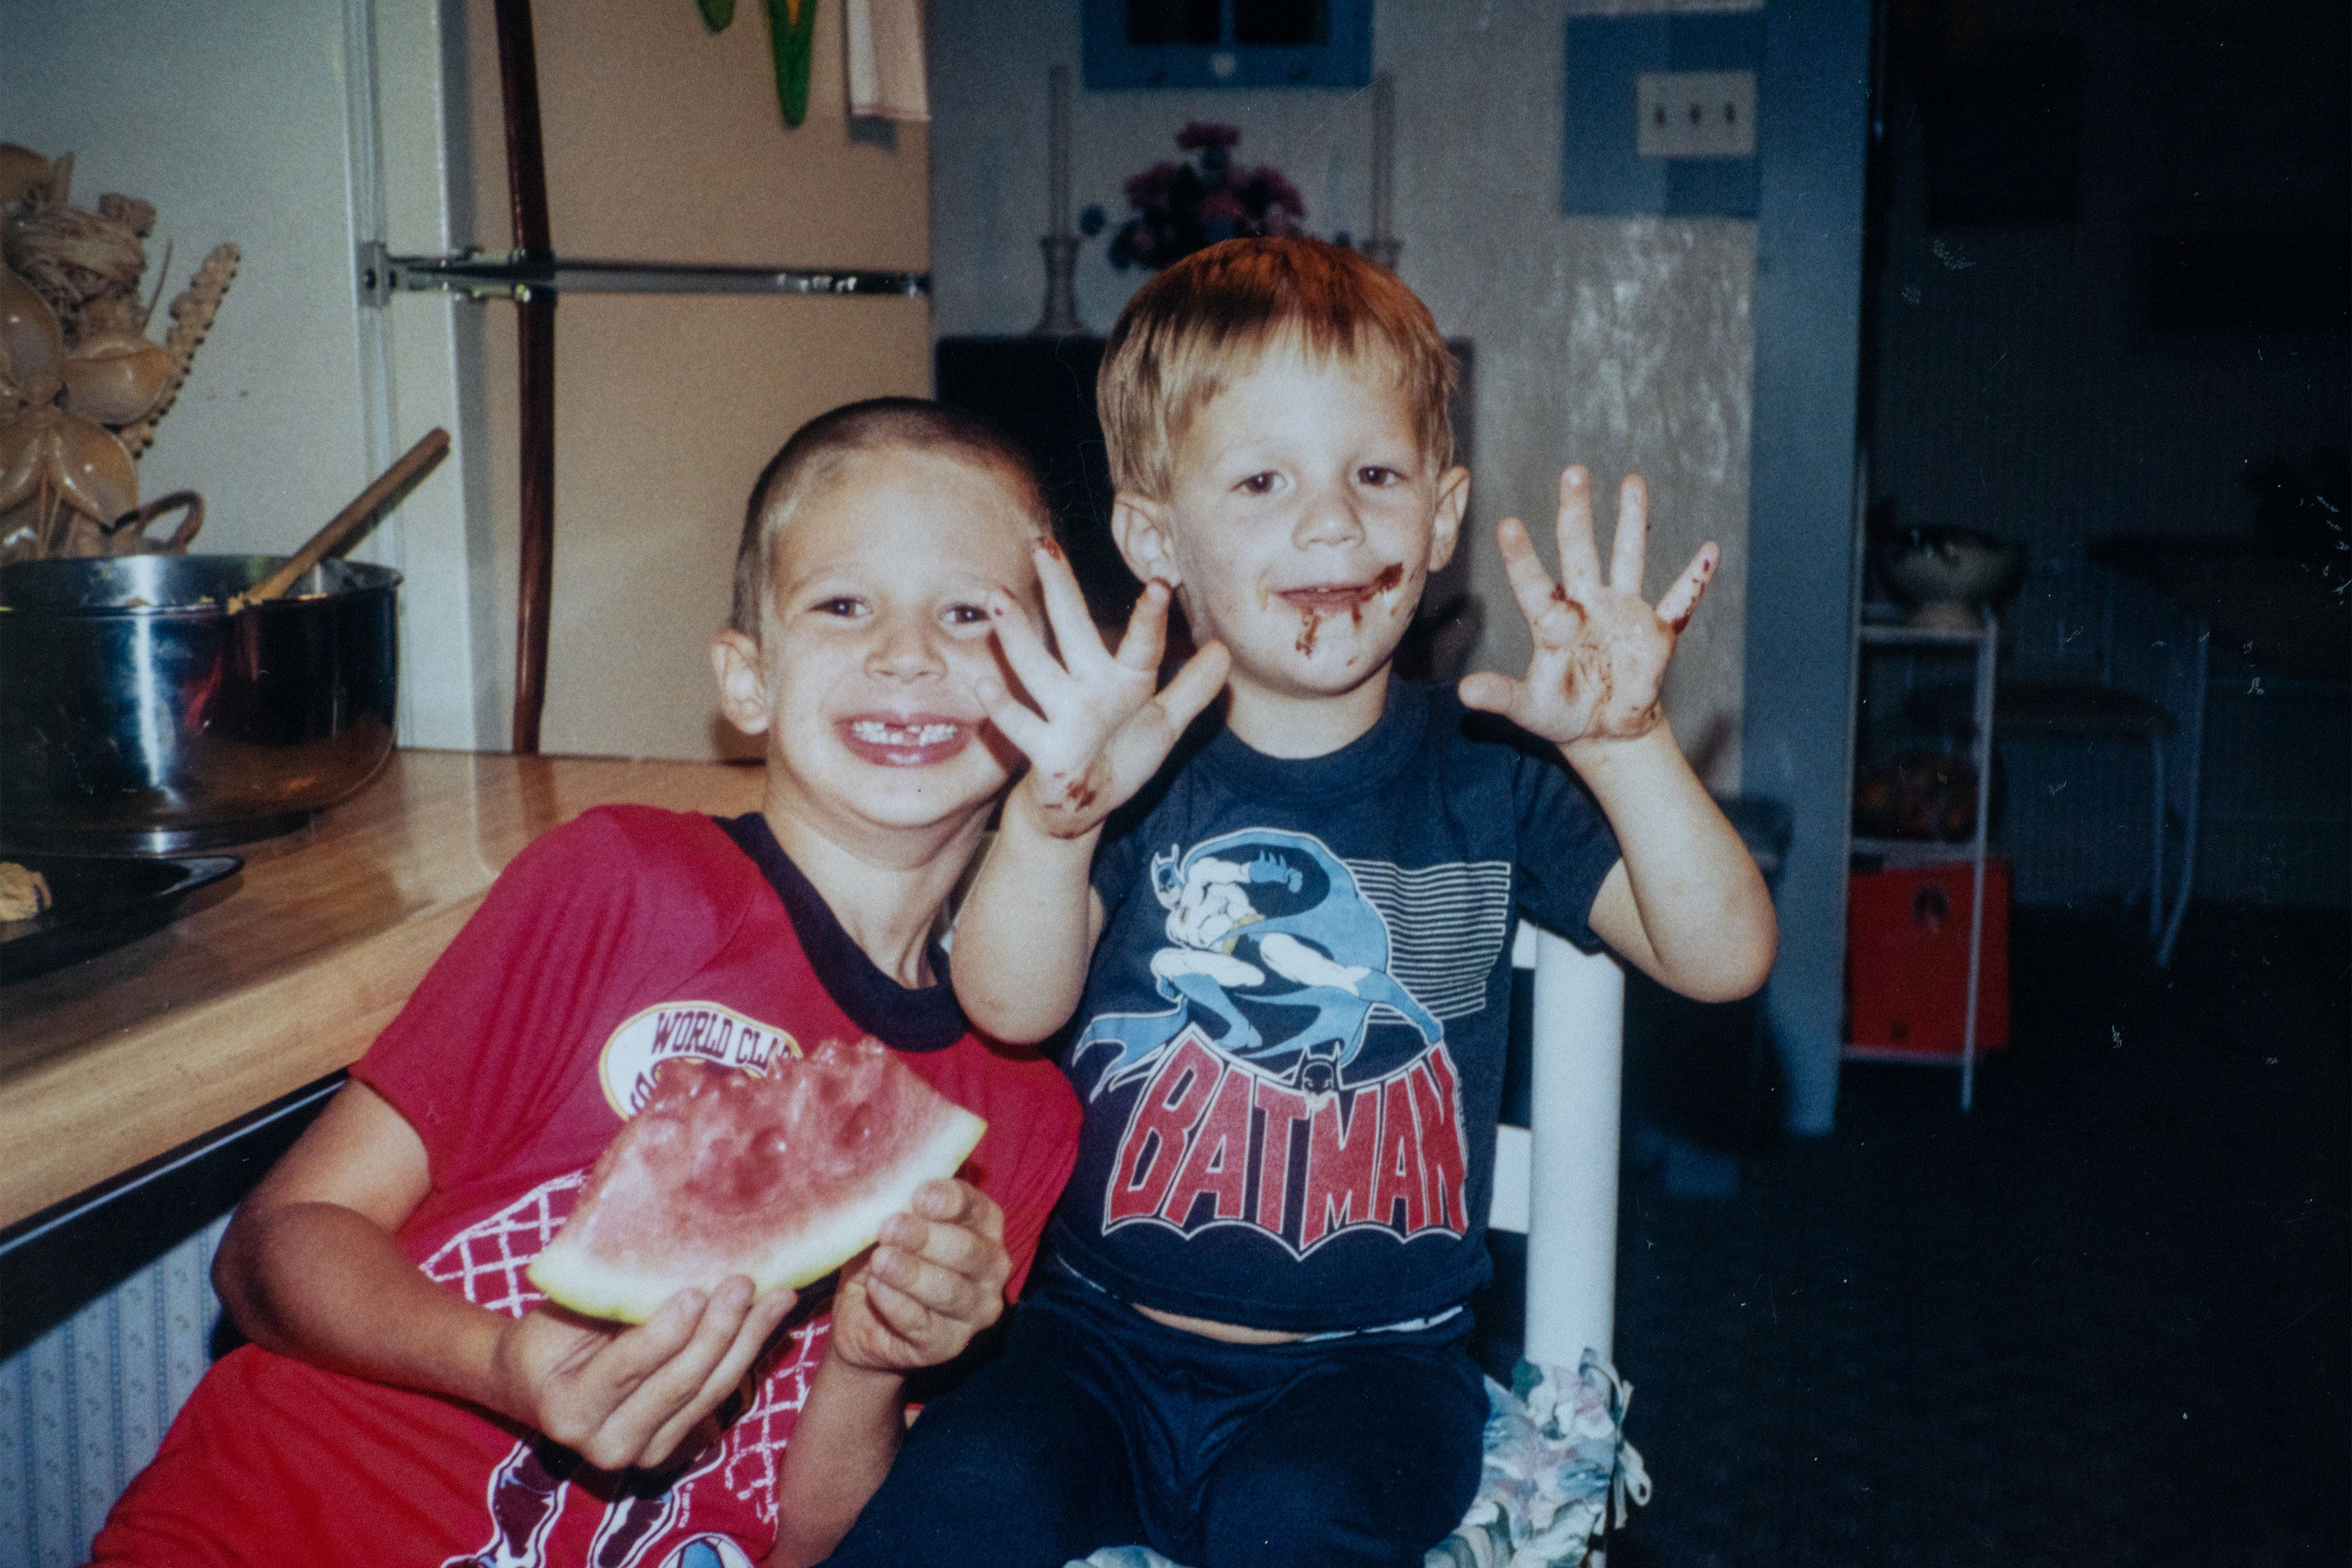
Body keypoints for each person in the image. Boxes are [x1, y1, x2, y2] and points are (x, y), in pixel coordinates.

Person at [818, 238, 1779, 1568]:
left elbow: (1724, 957)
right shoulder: (1127, 764)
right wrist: (1054, 821)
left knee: (1293, 1520)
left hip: (1374, 1380)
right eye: (1264, 481)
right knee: (959, 1492)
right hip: (1088, 1339)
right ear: (1157, 534)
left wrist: (1625, 747)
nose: (1332, 522)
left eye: (1374, 475)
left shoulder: (1493, 772)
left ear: (1441, 520)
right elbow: (1007, 998)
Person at [88, 399, 1086, 1568]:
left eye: (968, 613)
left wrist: (875, 1360)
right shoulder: (622, 885)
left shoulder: (1011, 1121)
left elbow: (808, 1541)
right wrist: (504, 1363)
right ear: (747, 678)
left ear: (1054, 687)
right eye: (843, 604)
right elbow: (270, 1250)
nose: (906, 653)